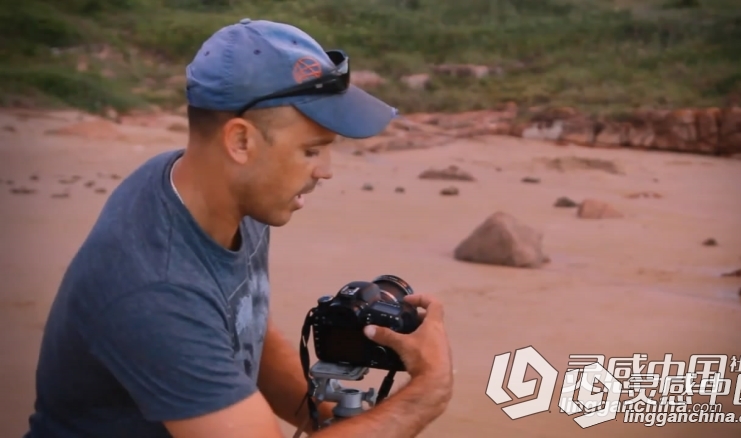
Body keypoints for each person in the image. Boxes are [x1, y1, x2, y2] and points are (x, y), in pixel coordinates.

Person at [24, 18, 453, 438]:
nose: (326, 171)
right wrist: (426, 393)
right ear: (241, 142)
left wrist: (328, 418)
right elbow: (189, 314)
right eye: (310, 151)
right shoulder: (156, 289)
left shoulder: (209, 188)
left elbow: (243, 324)